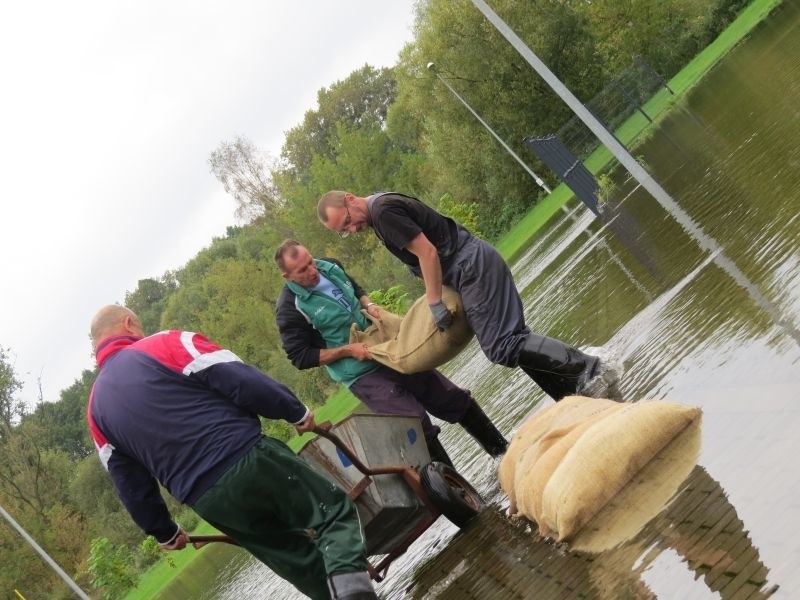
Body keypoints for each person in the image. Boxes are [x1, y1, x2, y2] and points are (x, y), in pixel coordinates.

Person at [86, 305, 377, 600]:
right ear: (129, 323)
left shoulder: (96, 410)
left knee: (295, 558)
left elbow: (131, 485)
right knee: (331, 511)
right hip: (246, 456)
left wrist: (164, 532)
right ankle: (353, 589)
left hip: (208, 500)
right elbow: (239, 379)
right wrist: (295, 412)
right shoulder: (163, 343)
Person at [317, 191, 620, 401]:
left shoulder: (383, 212)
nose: (352, 229)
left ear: (350, 200)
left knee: (503, 345)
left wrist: (434, 301)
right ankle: (569, 396)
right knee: (512, 341)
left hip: (471, 266)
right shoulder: (381, 210)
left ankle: (589, 369)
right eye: (344, 231)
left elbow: (428, 253)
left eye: (347, 221)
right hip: (469, 266)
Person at [274, 239, 509, 461]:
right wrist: (348, 350)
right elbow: (300, 357)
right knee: (414, 423)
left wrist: (369, 304)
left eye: (310, 262)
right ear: (287, 276)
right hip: (360, 373)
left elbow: (355, 288)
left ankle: (503, 454)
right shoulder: (290, 309)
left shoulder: (330, 266)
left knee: (451, 397)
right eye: (302, 271)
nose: (312, 271)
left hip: (389, 349)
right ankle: (461, 497)